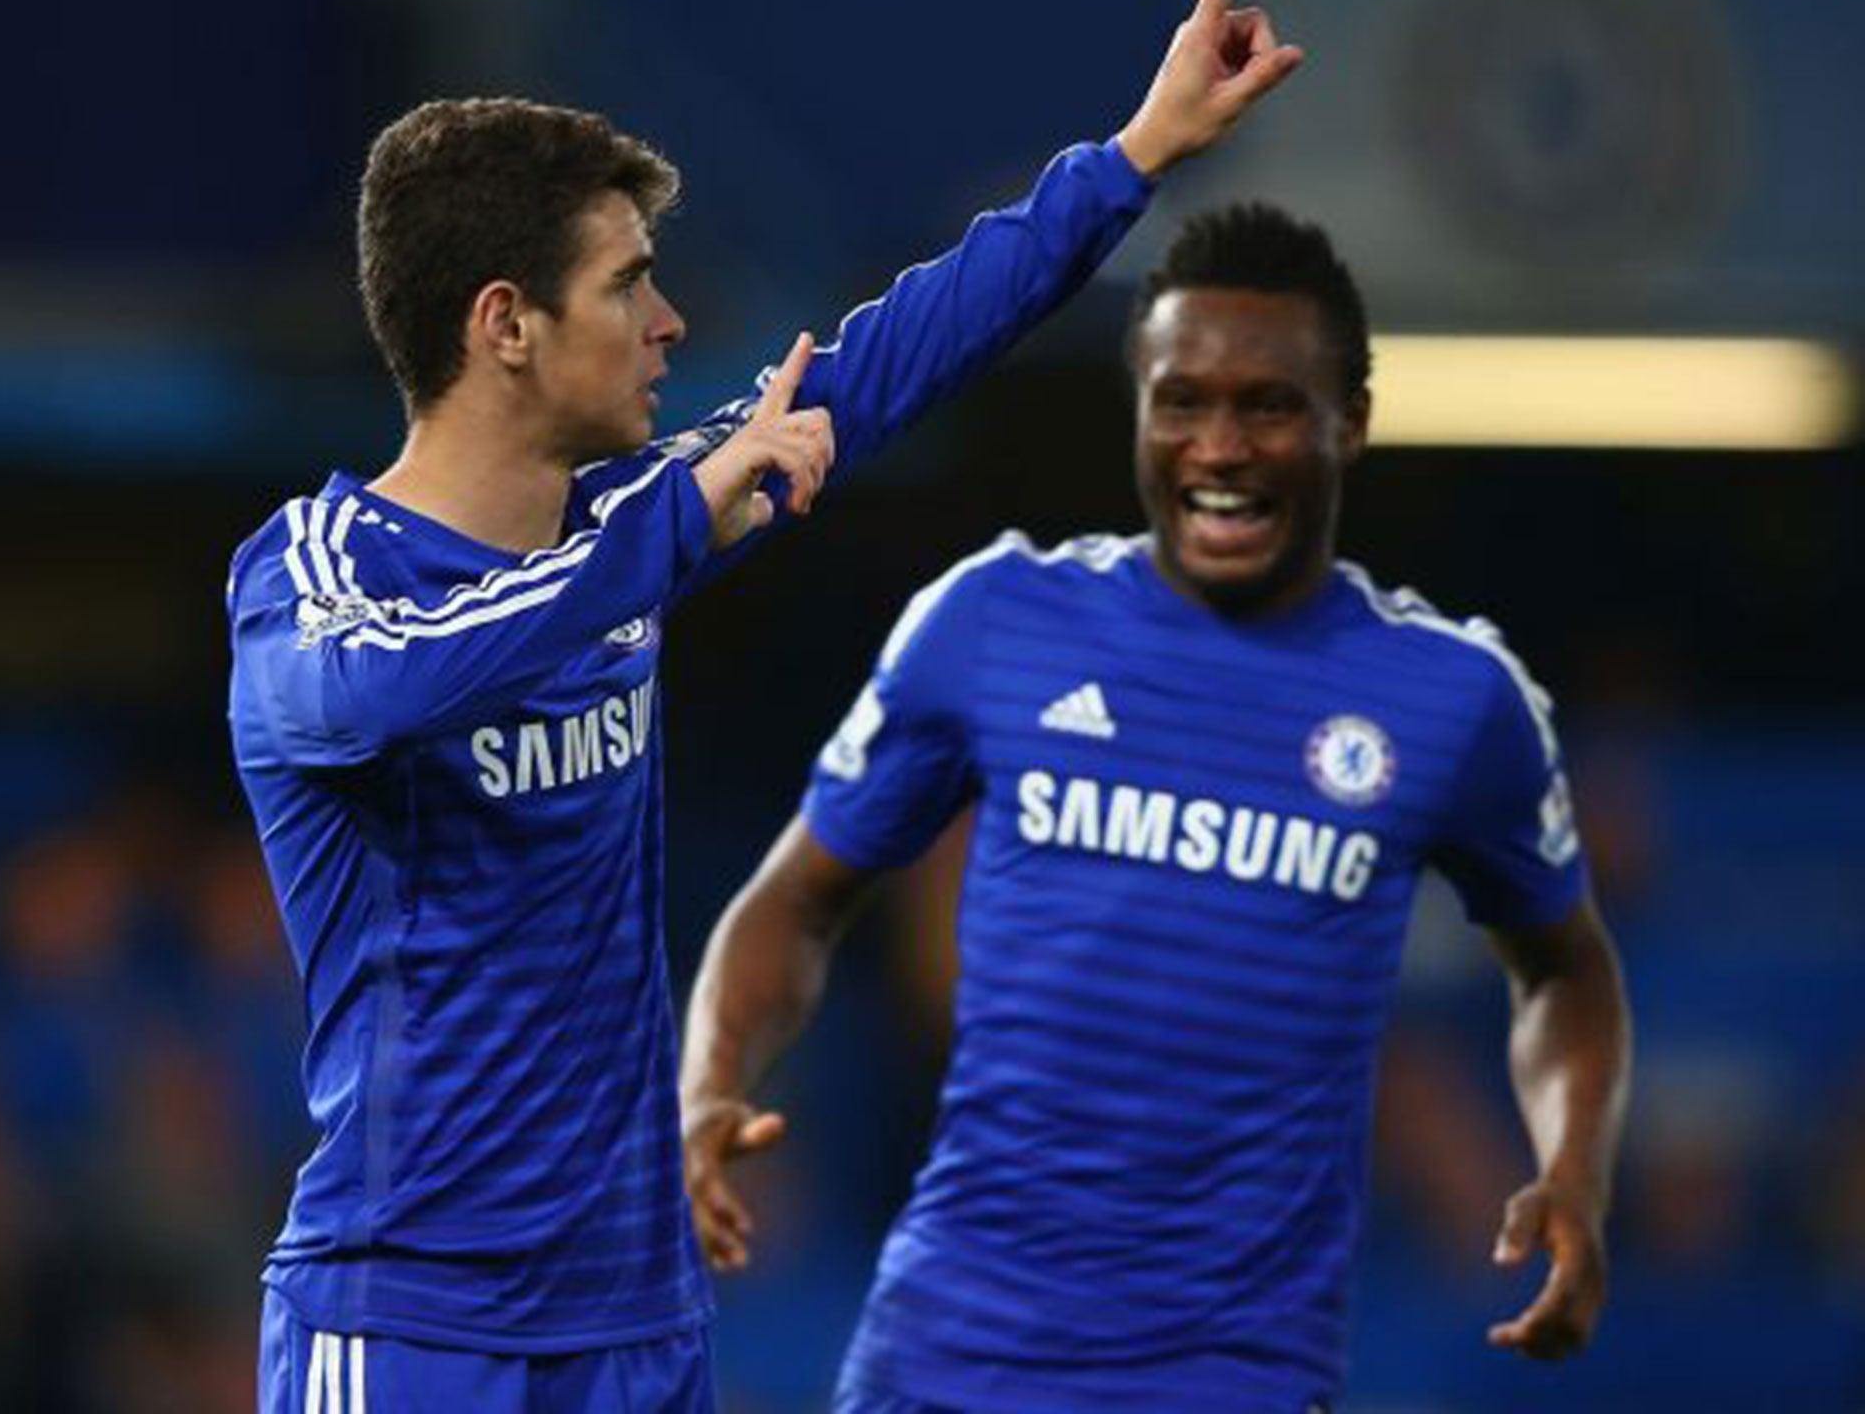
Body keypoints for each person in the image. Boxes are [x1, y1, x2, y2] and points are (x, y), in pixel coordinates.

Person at [225, 0, 1301, 1414]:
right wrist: (670, 527)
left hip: (631, 1314)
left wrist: (1132, 154)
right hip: (412, 1321)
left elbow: (888, 360)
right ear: (504, 326)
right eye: (627, 286)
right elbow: (384, 690)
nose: (669, 322)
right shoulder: (315, 579)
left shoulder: (622, 524)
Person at [680, 202, 1634, 1413]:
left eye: (1266, 406)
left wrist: (1571, 1168)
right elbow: (798, 901)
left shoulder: (1451, 699)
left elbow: (1563, 966)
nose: (1217, 446)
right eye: (1180, 401)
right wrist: (710, 1078)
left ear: (1349, 424)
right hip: (950, 1367)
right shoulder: (992, 624)